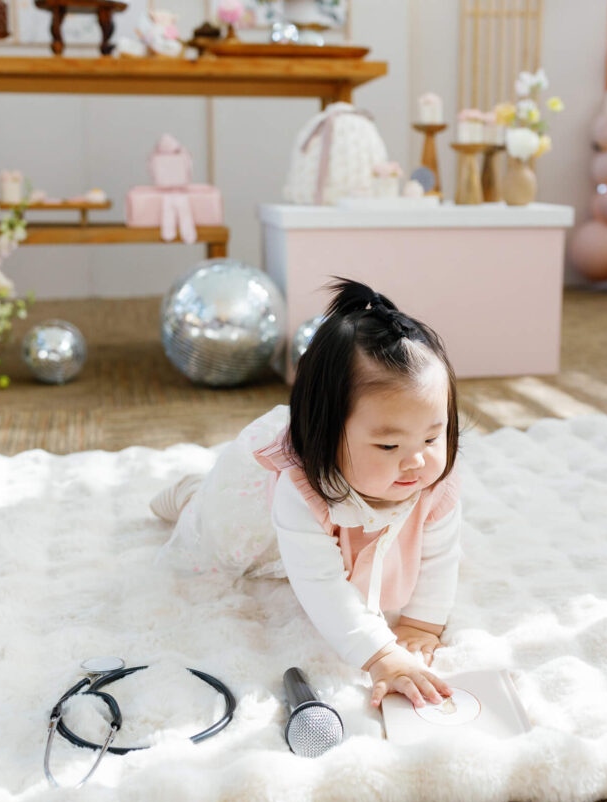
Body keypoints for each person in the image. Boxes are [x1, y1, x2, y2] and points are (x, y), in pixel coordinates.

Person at [151, 278, 461, 711]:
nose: (416, 461)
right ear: (326, 434)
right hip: (254, 512)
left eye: (432, 437)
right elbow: (319, 582)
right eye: (389, 446)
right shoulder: (302, 490)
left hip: (339, 519)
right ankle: (190, 495)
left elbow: (439, 555)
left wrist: (422, 623)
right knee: (213, 528)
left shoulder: (434, 480)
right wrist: (380, 655)